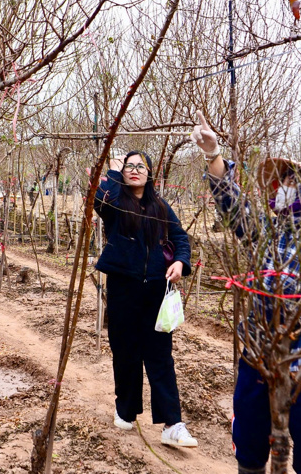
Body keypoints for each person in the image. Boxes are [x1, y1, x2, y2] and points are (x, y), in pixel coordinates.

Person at [191, 112, 301, 474]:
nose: (280, 189)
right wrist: (213, 155)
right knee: (248, 441)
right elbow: (234, 209)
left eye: (291, 183)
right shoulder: (269, 235)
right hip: (257, 359)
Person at [94, 150, 198, 447]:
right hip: (123, 287)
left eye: (141, 166)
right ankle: (125, 410)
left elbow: (180, 239)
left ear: (150, 173)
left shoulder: (160, 207)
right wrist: (112, 173)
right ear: (122, 172)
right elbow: (100, 201)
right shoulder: (115, 203)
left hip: (155, 290)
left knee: (160, 356)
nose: (135, 170)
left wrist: (180, 262)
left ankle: (172, 424)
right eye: (129, 166)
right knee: (125, 351)